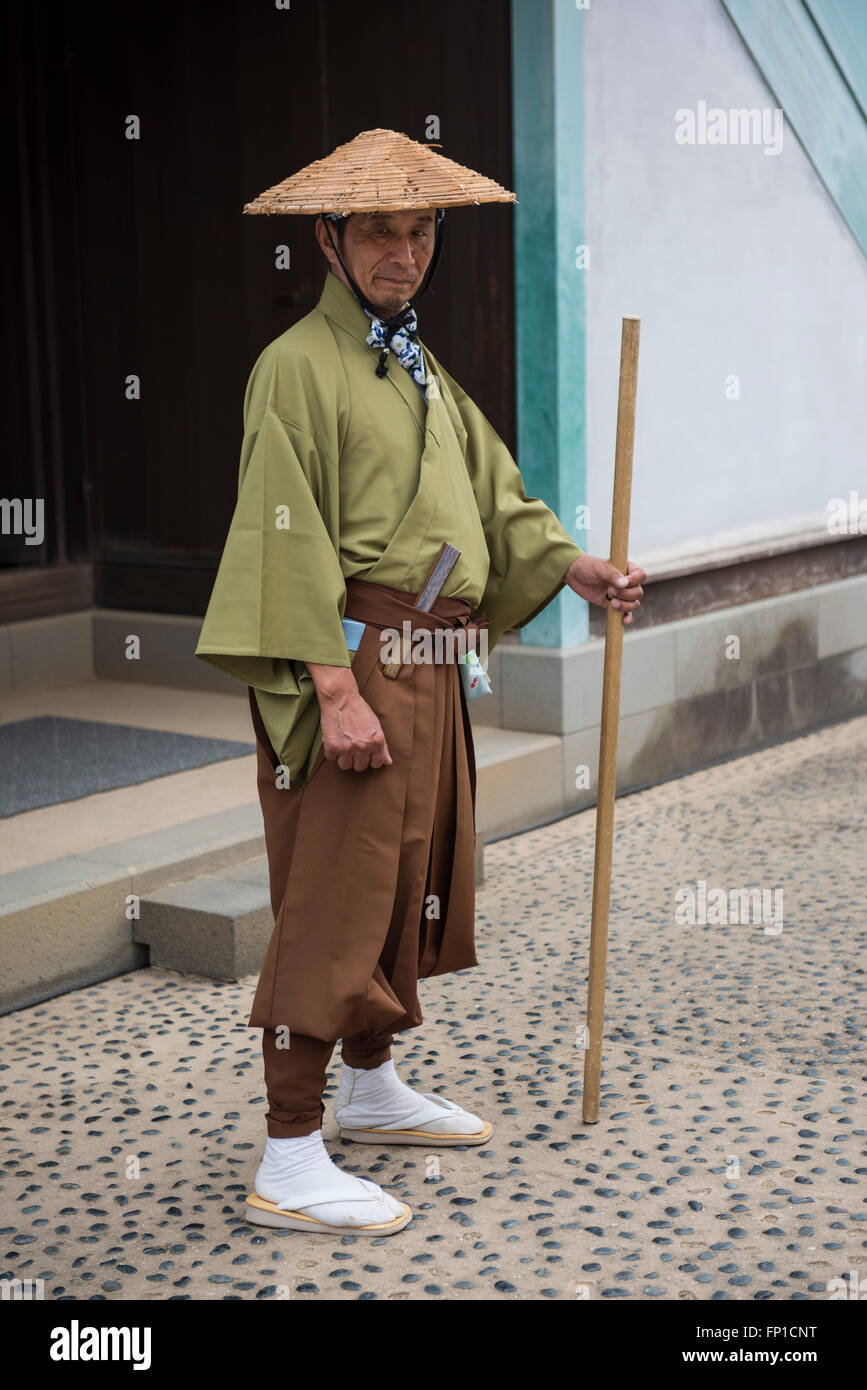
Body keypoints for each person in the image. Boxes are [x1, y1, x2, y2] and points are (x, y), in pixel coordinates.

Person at [195, 129, 646, 1236]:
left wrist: (576, 565)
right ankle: (290, 1149)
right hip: (352, 656)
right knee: (335, 891)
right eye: (379, 232)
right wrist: (329, 688)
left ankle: (369, 1080)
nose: (403, 251)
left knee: (407, 877)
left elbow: (490, 492)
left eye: (420, 228)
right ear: (329, 240)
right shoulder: (296, 367)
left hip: (434, 657)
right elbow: (280, 534)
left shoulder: (415, 362)